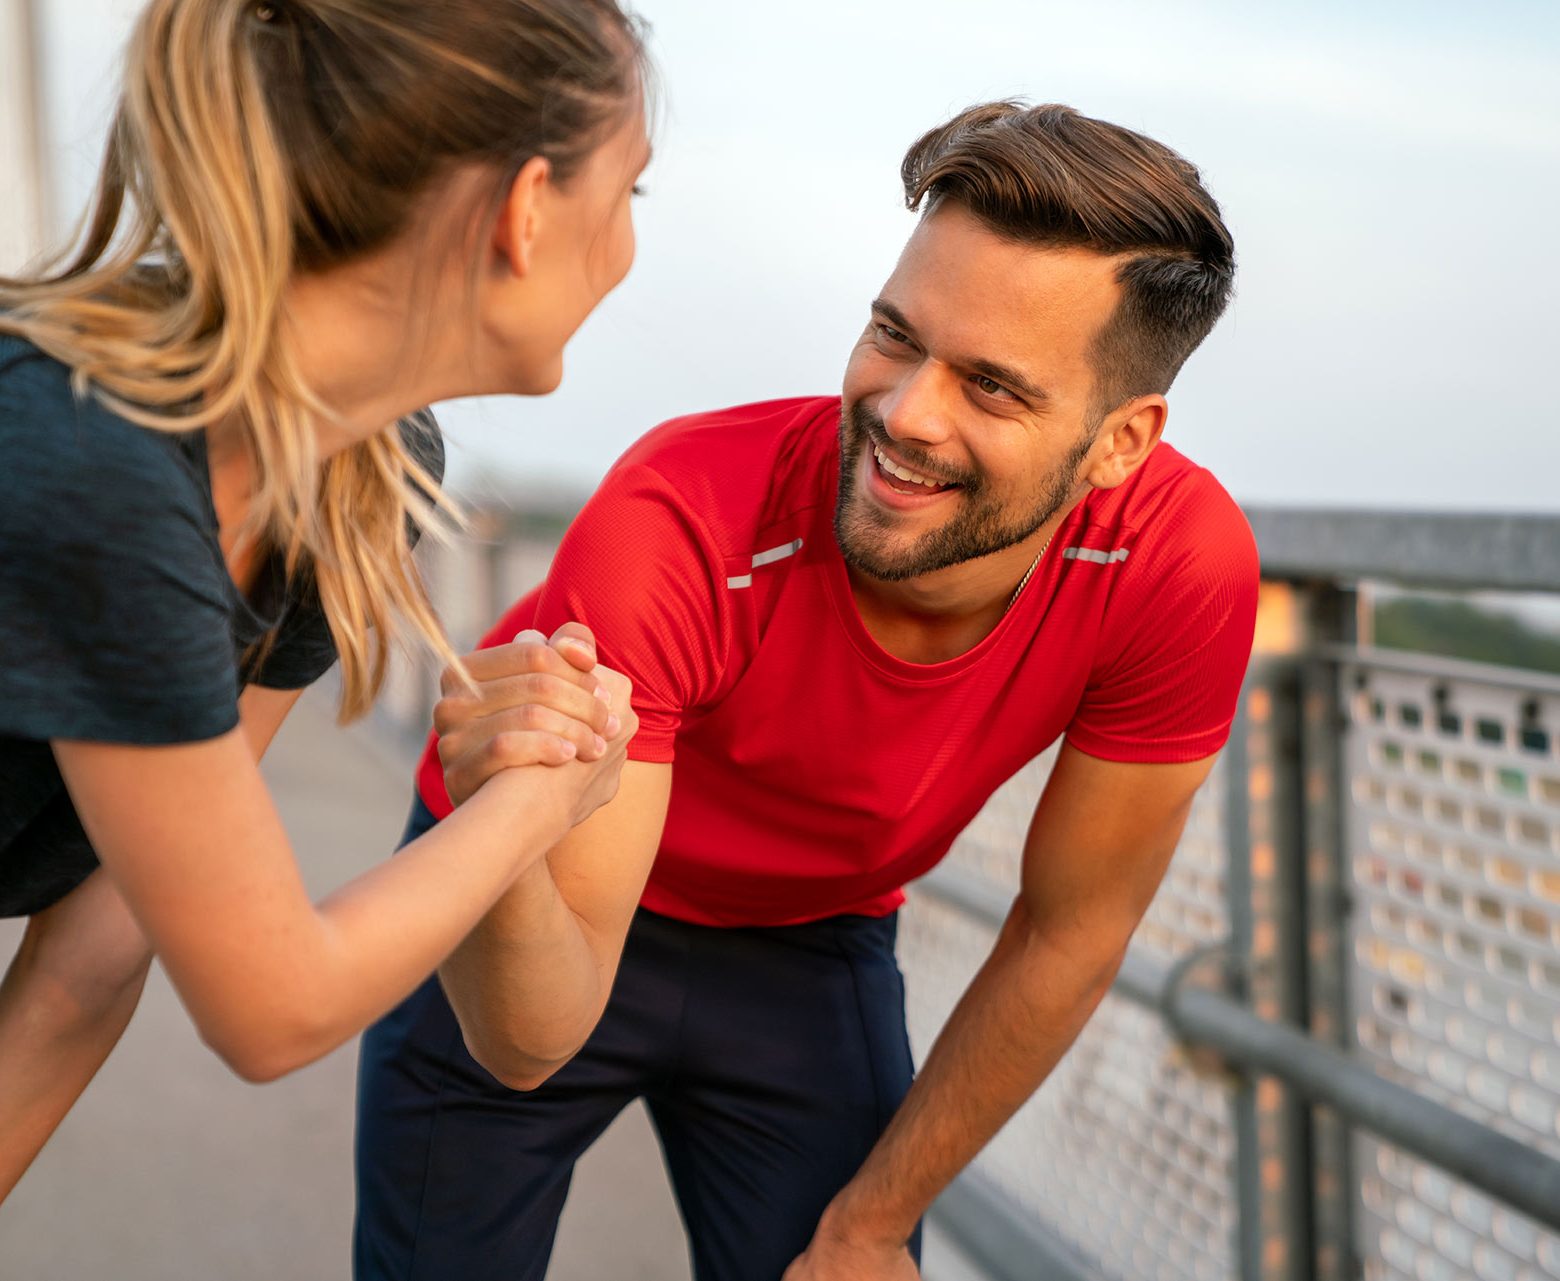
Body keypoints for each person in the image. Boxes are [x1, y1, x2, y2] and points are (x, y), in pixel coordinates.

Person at [355, 100, 1261, 1281]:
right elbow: (531, 1042)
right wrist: (495, 820)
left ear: (1121, 442)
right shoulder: (678, 521)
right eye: (896, 335)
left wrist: (872, 1225)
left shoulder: (1177, 566)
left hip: (806, 938)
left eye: (991, 386)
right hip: (542, 884)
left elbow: (1069, 930)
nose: (905, 413)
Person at [0, 0, 654, 1204]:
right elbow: (275, 1002)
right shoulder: (91, 458)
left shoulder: (364, 474)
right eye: (629, 196)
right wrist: (541, 797)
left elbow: (102, 943)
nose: (625, 251)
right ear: (524, 212)